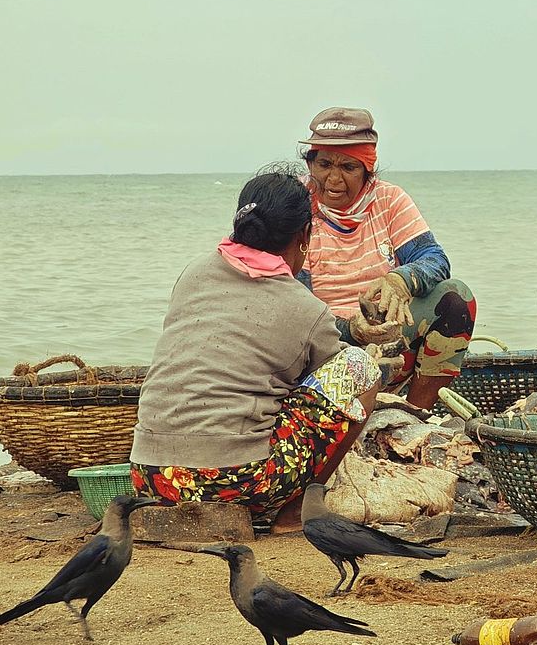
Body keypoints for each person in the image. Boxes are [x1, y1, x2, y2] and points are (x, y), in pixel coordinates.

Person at [130, 169, 383, 532]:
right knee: (359, 367)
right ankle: (296, 513)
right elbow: (327, 385)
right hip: (235, 481)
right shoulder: (306, 308)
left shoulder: (194, 272)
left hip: (151, 476)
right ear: (304, 237)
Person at [298, 107, 475, 411]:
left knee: (456, 298)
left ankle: (417, 412)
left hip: (383, 334)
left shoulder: (388, 200)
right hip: (320, 340)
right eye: (324, 164)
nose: (334, 178)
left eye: (349, 167)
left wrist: (401, 279)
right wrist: (349, 329)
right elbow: (293, 302)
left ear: (367, 169)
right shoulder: (296, 203)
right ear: (310, 163)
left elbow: (434, 258)